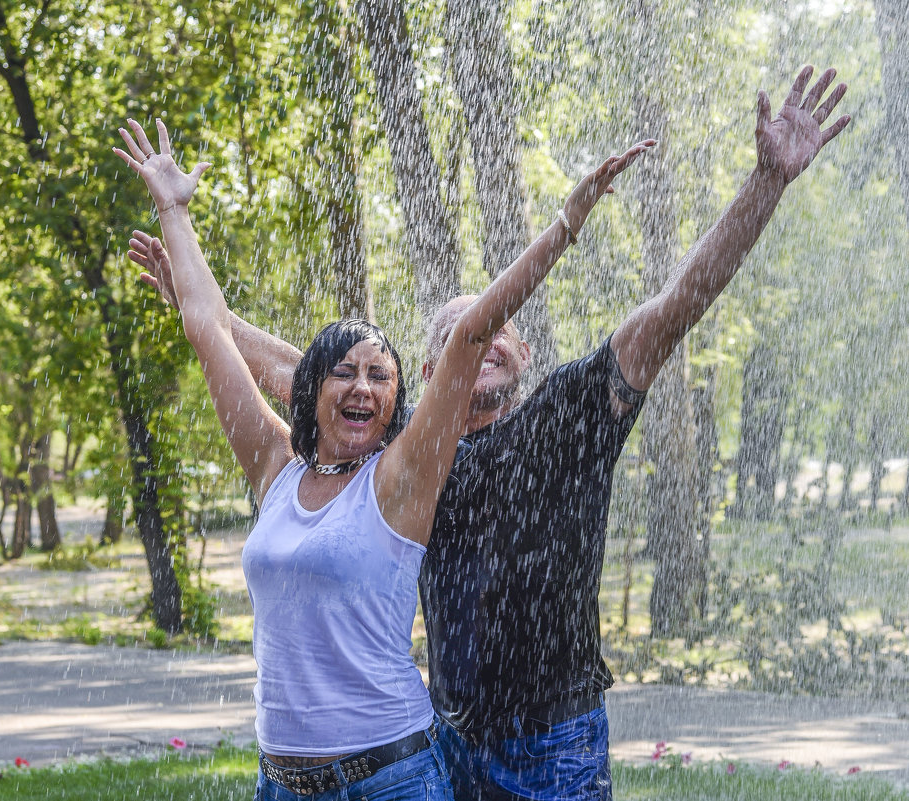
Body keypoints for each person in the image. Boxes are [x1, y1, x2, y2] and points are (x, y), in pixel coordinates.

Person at [129, 65, 850, 801]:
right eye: (457, 336)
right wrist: (196, 298)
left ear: (523, 350)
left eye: (498, 327)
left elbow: (674, 307)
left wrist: (767, 183)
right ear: (437, 368)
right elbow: (298, 371)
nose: (483, 339)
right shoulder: (403, 447)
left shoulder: (570, 415)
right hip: (447, 736)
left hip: (554, 741)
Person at [115, 117, 652, 800]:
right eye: (343, 371)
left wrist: (566, 224)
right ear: (310, 391)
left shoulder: (402, 478)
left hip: (390, 776)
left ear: (403, 403)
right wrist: (173, 210)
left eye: (380, 375)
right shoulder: (274, 468)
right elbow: (207, 326)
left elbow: (470, 334)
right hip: (280, 781)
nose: (361, 385)